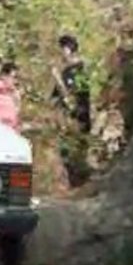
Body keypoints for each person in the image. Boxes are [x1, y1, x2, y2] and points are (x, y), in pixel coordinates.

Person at [51, 34, 92, 186]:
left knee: (74, 150)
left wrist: (57, 79)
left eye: (63, 48)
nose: (61, 52)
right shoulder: (69, 69)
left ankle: (79, 181)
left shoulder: (78, 68)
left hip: (76, 116)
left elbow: (74, 95)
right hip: (71, 115)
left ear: (68, 49)